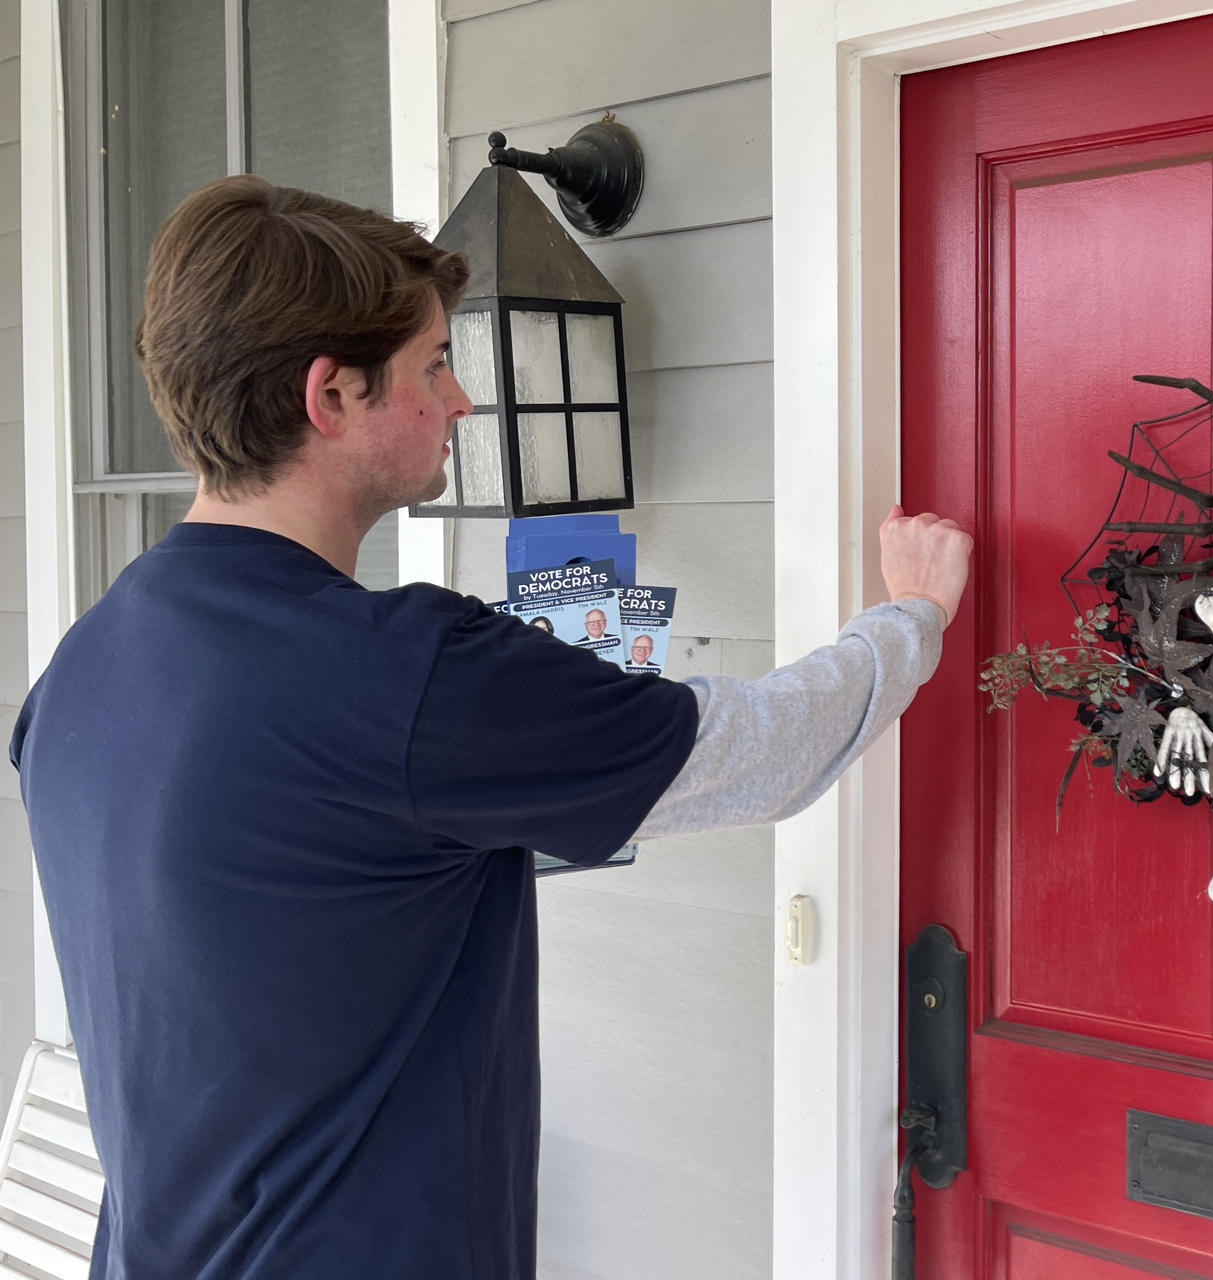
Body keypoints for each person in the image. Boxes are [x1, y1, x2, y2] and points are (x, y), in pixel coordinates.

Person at [9, 176, 972, 1280]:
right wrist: (914, 613)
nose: (464, 399)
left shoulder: (79, 671)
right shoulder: (401, 674)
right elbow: (759, 754)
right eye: (432, 365)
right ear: (331, 395)